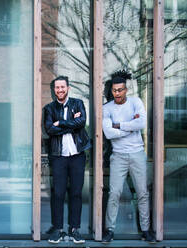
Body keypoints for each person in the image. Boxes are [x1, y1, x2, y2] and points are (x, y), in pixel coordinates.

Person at [101, 70, 156, 243]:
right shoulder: (107, 108)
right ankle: (109, 230)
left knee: (142, 193)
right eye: (115, 90)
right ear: (112, 91)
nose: (117, 93)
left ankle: (146, 230)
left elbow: (140, 123)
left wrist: (119, 125)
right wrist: (130, 127)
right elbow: (109, 133)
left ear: (126, 89)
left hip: (137, 154)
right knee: (114, 193)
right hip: (118, 156)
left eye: (120, 90)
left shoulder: (136, 102)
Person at [44, 76, 91, 244]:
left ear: (68, 88)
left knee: (76, 193)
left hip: (77, 155)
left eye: (62, 87)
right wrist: (70, 124)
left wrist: (61, 123)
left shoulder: (77, 103)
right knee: (58, 193)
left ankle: (74, 229)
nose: (60, 90)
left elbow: (81, 122)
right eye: (57, 87)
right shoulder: (49, 108)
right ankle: (58, 230)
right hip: (58, 157)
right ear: (54, 90)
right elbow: (49, 129)